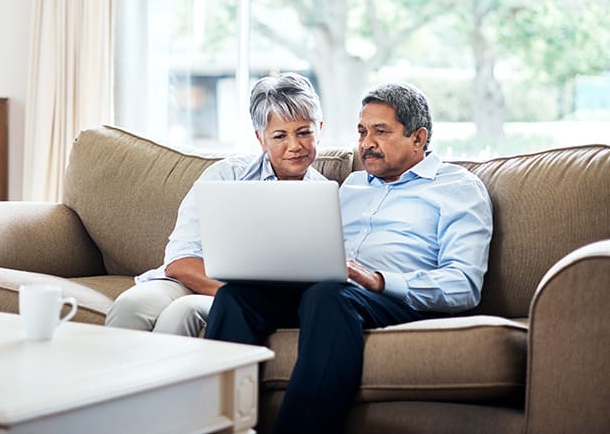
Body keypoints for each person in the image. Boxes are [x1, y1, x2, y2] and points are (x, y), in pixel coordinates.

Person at [203, 83, 494, 433]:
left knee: (328, 295)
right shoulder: (352, 185)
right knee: (237, 297)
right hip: (331, 291)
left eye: (380, 132)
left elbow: (464, 285)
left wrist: (380, 280)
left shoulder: (458, 188)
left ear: (418, 137)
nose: (366, 143)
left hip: (394, 298)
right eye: (362, 131)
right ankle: (217, 426)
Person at [105, 72, 328, 336]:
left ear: (319, 129)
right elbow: (179, 261)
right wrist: (236, 294)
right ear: (261, 139)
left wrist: (245, 299)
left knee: (181, 314)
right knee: (130, 306)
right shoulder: (226, 176)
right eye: (280, 136)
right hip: (192, 282)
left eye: (304, 132)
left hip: (243, 300)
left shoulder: (326, 197)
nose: (295, 146)